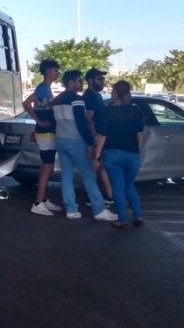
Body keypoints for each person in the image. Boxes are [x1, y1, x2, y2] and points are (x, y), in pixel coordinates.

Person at [52, 69, 118, 221]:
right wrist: (89, 143)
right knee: (89, 174)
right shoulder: (77, 99)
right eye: (79, 81)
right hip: (76, 141)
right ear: (71, 82)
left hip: (61, 140)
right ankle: (99, 210)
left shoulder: (56, 100)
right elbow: (81, 124)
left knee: (67, 174)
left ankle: (71, 209)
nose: (81, 83)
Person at [93, 80, 145, 229]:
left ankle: (122, 219)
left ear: (115, 93)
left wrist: (97, 155)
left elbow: (102, 135)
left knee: (117, 187)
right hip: (132, 154)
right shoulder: (136, 110)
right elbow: (140, 134)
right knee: (130, 185)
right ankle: (138, 216)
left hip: (112, 154)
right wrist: (137, 150)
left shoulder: (108, 111)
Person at [22, 59, 63, 216]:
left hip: (46, 130)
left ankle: (44, 199)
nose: (57, 72)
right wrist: (39, 120)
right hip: (45, 131)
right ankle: (38, 202)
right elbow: (27, 103)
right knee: (48, 165)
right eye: (54, 70)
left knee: (46, 165)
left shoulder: (46, 88)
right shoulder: (43, 88)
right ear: (47, 71)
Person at [83, 68, 114, 204]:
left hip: (101, 136)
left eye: (103, 79)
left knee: (100, 166)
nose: (102, 82)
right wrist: (94, 138)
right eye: (99, 79)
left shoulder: (97, 95)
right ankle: (96, 197)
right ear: (90, 80)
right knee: (95, 167)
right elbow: (88, 118)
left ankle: (107, 196)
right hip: (95, 138)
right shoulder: (89, 96)